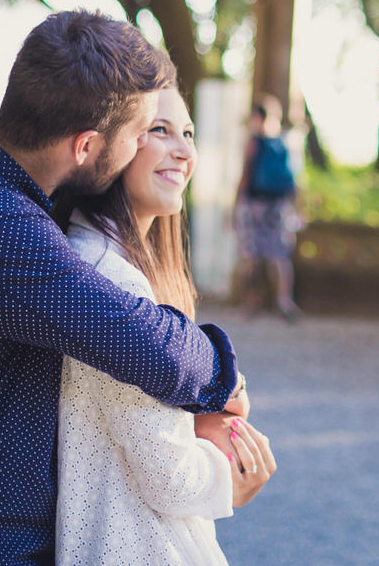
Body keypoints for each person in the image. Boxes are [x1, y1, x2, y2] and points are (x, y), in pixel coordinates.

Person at [0, 10, 246, 565]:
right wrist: (228, 378)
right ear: (84, 147)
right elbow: (144, 343)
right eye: (137, 136)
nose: (141, 150)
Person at [55, 85, 274, 566]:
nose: (184, 150)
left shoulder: (123, 267)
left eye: (189, 133)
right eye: (160, 130)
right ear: (116, 143)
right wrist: (232, 474)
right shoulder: (109, 278)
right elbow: (171, 477)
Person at [232, 95, 304, 321]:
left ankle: (251, 302)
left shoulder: (253, 142)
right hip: (279, 205)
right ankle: (285, 301)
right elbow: (296, 179)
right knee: (279, 255)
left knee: (251, 255)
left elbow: (245, 175)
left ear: (256, 116)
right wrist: (299, 207)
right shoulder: (285, 141)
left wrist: (235, 206)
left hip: (254, 204)